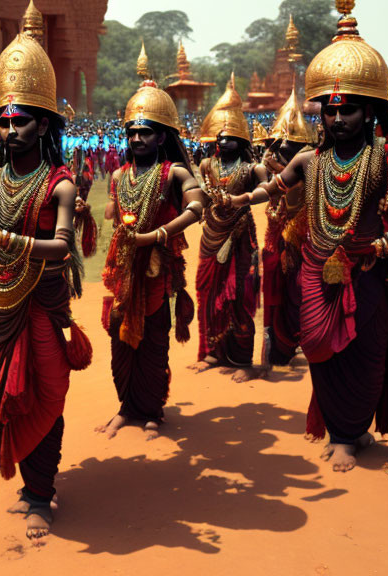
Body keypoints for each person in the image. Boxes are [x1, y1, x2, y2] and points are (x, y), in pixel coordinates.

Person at [232, 0, 388, 471]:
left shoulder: (385, 160)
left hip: (366, 273)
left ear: (370, 112)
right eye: (329, 110)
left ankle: (350, 433)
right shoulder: (310, 161)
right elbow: (272, 188)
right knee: (321, 349)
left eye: (350, 110)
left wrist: (382, 247)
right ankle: (344, 430)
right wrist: (235, 201)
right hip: (314, 269)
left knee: (367, 354)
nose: (338, 119)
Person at [0, 0, 91, 541]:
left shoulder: (60, 183)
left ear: (45, 122)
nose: (11, 131)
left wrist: (1, 236)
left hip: (41, 307)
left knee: (46, 396)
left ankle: (40, 493)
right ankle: (29, 486)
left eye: (22, 121)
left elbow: (60, 247)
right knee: (7, 397)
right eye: (4, 121)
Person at [99, 45, 204, 439]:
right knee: (119, 340)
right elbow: (112, 212)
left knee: (154, 339)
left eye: (146, 132)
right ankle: (126, 406)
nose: (138, 137)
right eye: (133, 132)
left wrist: (156, 235)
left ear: (162, 136)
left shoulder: (174, 171)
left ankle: (153, 412)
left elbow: (197, 208)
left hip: (157, 267)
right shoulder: (118, 174)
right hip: (121, 269)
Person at [191, 74, 268, 382]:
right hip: (211, 236)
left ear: (243, 141)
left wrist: (243, 198)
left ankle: (242, 359)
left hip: (240, 238)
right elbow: (199, 193)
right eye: (220, 138)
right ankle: (212, 351)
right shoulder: (207, 165)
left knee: (239, 294)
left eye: (230, 138)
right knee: (207, 292)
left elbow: (269, 189)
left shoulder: (252, 168)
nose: (223, 142)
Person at [260, 84, 314, 367]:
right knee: (275, 285)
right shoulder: (278, 169)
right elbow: (271, 192)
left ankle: (299, 338)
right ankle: (280, 345)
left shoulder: (308, 167)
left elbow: (291, 190)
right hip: (278, 238)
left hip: (303, 240)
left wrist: (278, 170)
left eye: (286, 147)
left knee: (300, 290)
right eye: (279, 146)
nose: (279, 150)